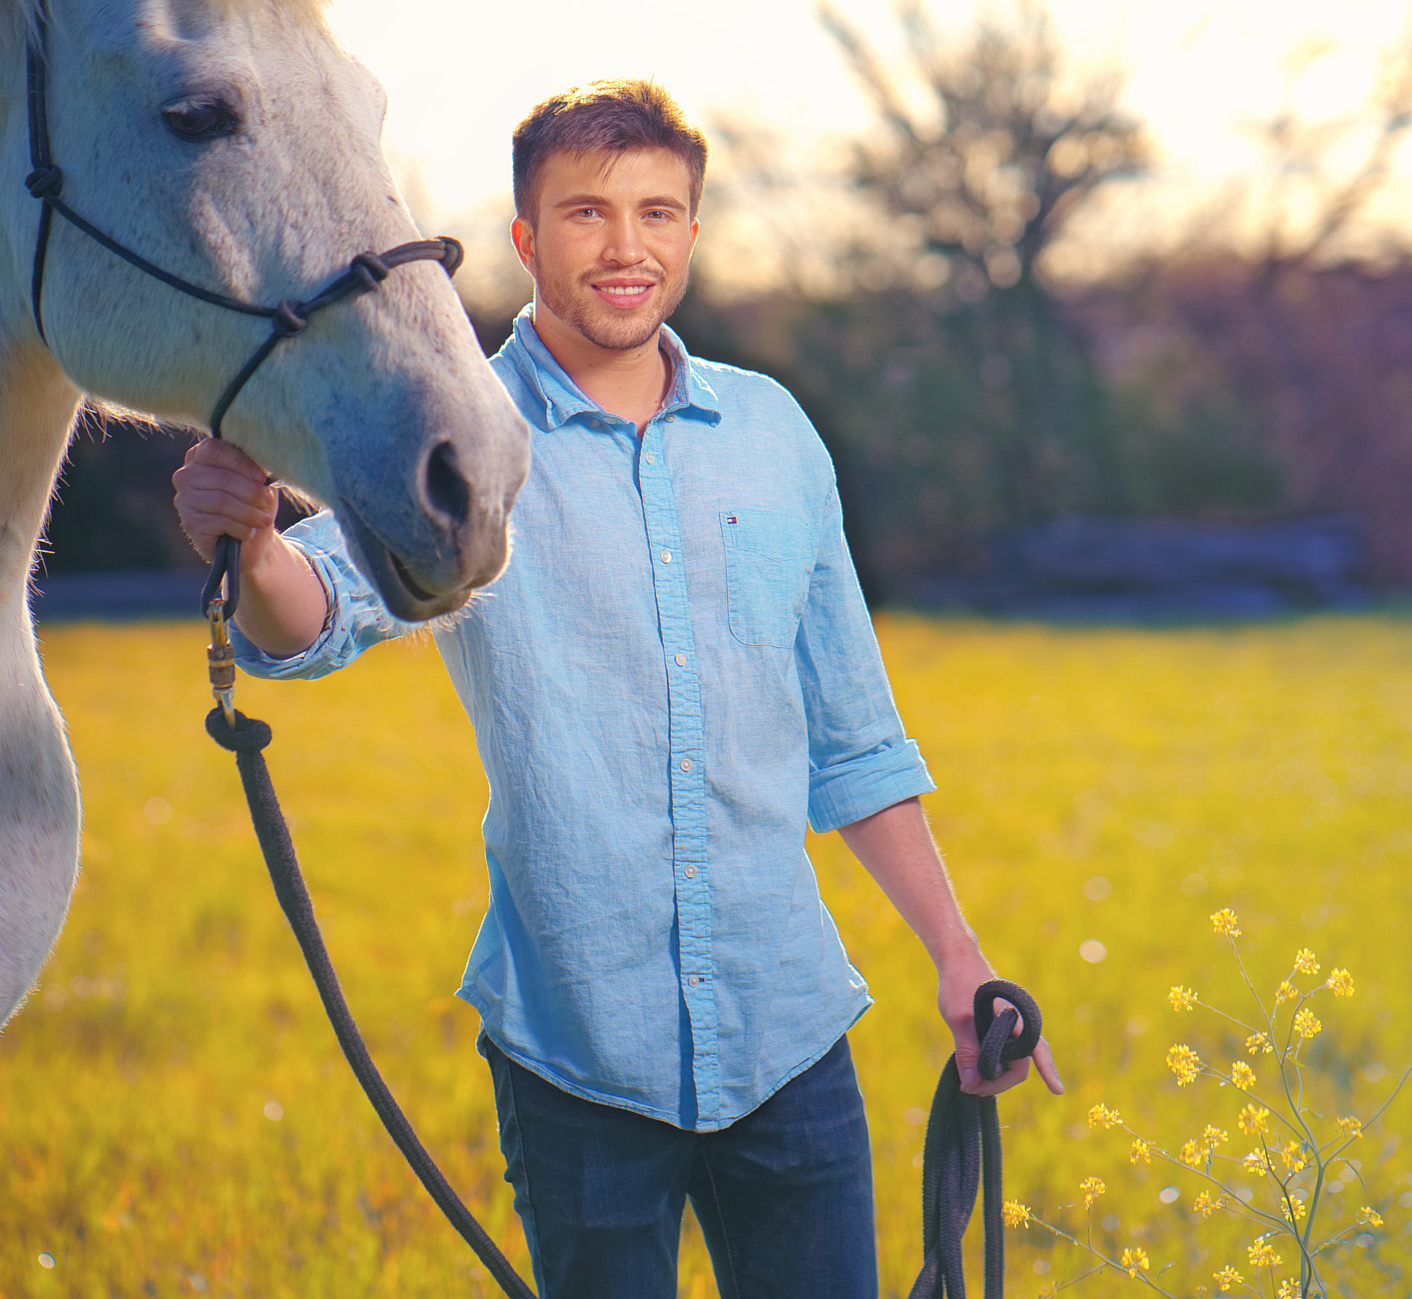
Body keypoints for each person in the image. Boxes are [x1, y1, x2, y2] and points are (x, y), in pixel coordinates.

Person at [172, 80, 1060, 1297]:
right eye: (585, 214)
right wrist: (259, 549)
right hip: (576, 1058)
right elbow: (318, 615)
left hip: (787, 1037)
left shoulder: (772, 436)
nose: (625, 246)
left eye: (657, 211)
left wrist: (956, 956)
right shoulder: (462, 444)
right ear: (528, 239)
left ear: (691, 234)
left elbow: (853, 742)